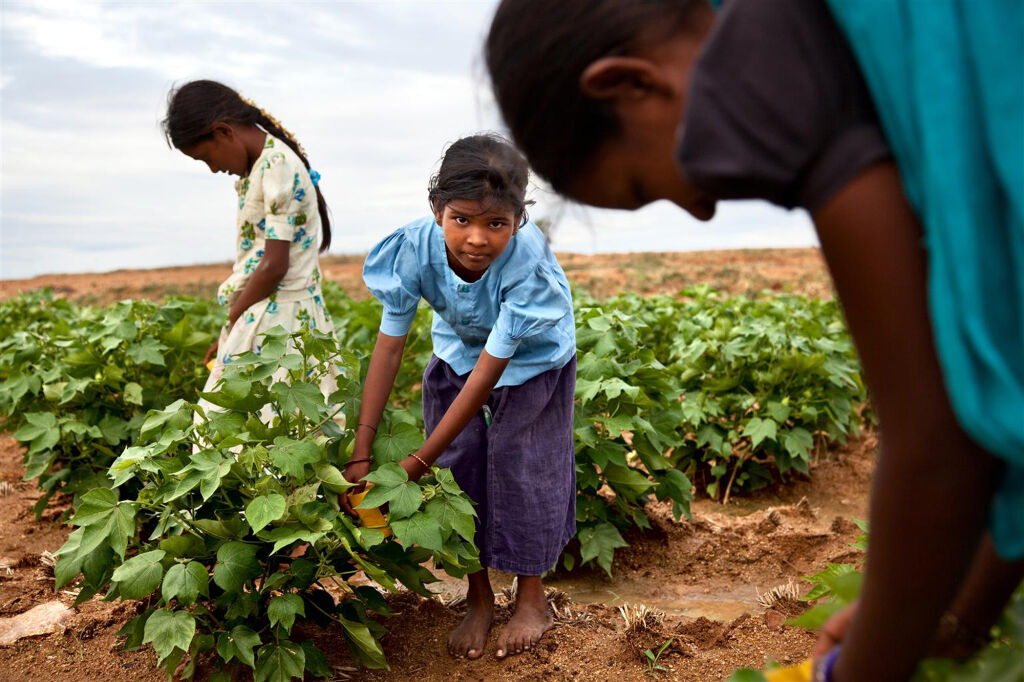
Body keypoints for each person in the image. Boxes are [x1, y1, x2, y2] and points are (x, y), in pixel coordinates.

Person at [485, 1, 1024, 680]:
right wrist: (961, 617)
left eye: (647, 185)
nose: (702, 208)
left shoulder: (781, 70)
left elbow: (939, 446)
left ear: (632, 84)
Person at [340, 134, 577, 661]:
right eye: (462, 219)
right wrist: (363, 448)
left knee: (525, 470)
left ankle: (531, 597)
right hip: (455, 356)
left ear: (519, 220)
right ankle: (478, 596)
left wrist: (415, 462)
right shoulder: (412, 248)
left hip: (532, 364)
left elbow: (493, 368)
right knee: (457, 473)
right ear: (436, 209)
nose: (476, 238)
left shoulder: (528, 265)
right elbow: (390, 346)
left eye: (497, 224)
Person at [163, 80, 339, 411]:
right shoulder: (265, 165)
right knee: (268, 428)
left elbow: (274, 265)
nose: (214, 169)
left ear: (223, 132)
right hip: (272, 312)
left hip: (281, 319)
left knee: (226, 426)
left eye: (205, 158)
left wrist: (234, 318)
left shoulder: (276, 165)